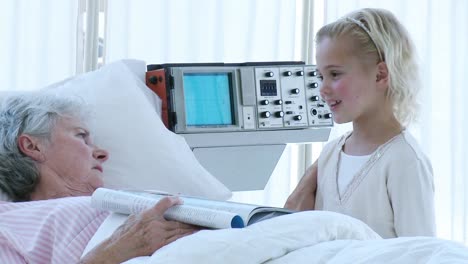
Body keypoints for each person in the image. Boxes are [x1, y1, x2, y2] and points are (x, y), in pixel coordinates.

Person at [285, 8, 436, 238]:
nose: (323, 89)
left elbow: (421, 254)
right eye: (320, 76)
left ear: (380, 75)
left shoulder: (405, 161)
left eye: (334, 74)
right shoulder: (329, 155)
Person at [0, 93, 197, 263]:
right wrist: (113, 252)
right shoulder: (8, 227)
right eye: (81, 136)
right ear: (33, 146)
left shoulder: (120, 200)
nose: (103, 153)